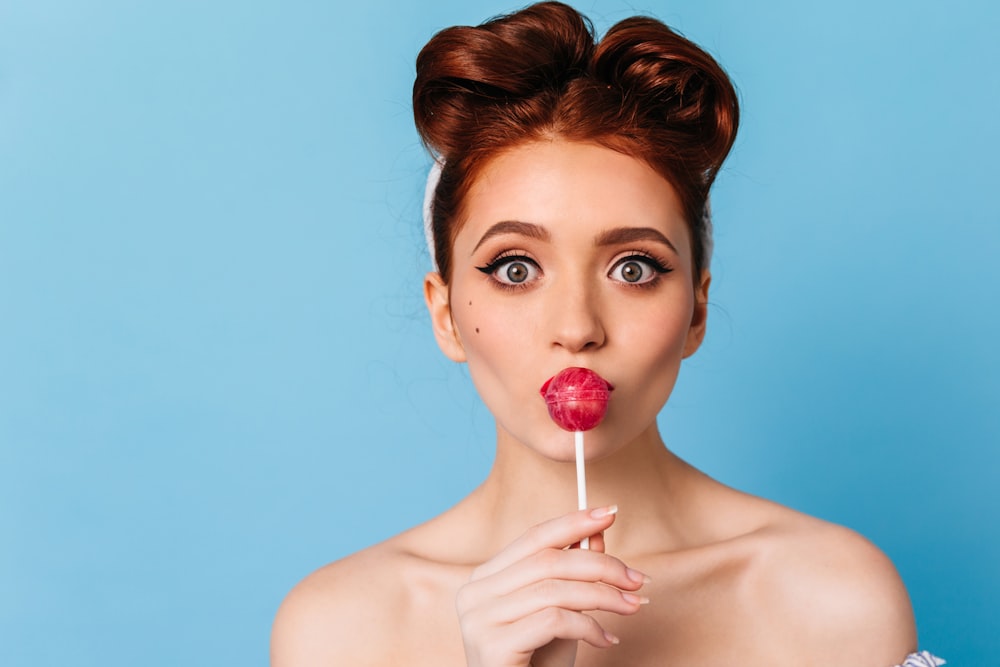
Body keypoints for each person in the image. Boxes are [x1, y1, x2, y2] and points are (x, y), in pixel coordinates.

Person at [271, 3, 942, 666]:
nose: (576, 328)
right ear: (445, 313)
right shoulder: (339, 630)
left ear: (696, 312)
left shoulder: (831, 600)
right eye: (515, 267)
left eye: (633, 268)